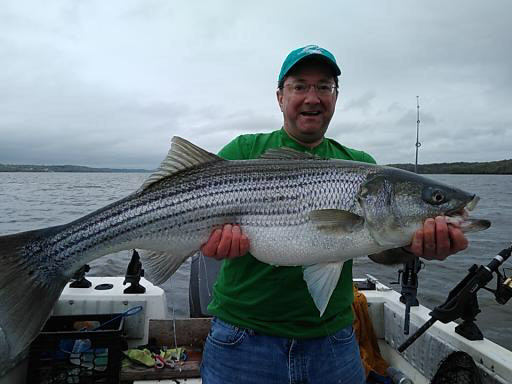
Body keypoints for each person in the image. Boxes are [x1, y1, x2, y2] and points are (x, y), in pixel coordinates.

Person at [199, 45, 468, 384]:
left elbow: (378, 248)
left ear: (336, 97)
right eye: (300, 86)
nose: (313, 97)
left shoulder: (361, 165)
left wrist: (411, 247)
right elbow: (197, 228)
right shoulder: (242, 153)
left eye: (324, 87)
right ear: (280, 96)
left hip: (333, 344)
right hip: (241, 341)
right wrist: (209, 245)